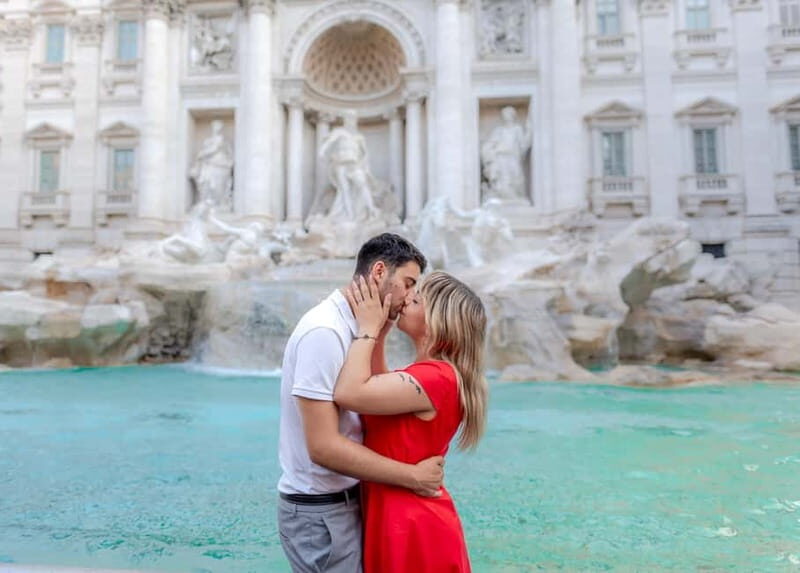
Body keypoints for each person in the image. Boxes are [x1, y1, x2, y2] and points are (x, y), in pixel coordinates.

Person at [277, 233, 444, 573]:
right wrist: (412, 476)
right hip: (320, 510)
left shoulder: (357, 328)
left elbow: (369, 407)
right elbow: (322, 447)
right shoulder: (324, 332)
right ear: (379, 271)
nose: (410, 297)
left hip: (346, 501)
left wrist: (377, 330)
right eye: (408, 283)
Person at [334, 271, 489, 573]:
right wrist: (381, 330)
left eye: (416, 300)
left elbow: (349, 392)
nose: (406, 300)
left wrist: (367, 329)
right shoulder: (431, 374)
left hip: (413, 526)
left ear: (437, 323)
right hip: (400, 517)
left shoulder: (436, 378)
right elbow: (374, 387)